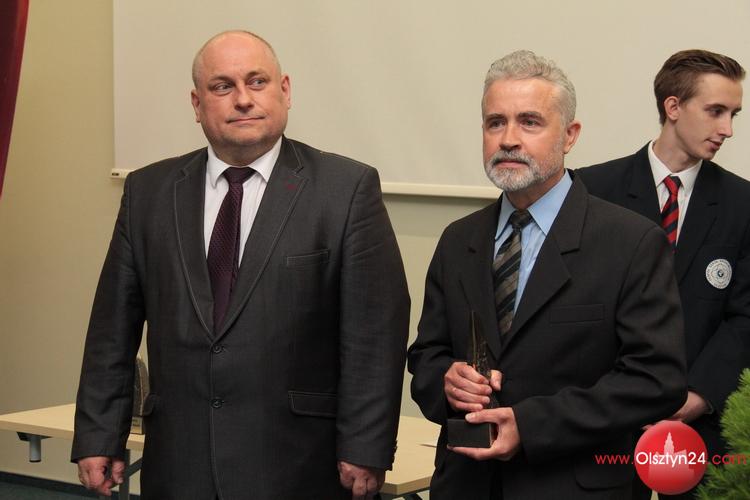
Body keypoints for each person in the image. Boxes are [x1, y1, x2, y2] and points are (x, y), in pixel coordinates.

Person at [71, 30, 410, 500]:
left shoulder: (346, 189)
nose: (243, 99)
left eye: (257, 81)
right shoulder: (148, 192)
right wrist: (98, 434)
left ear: (284, 90)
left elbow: (374, 333)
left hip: (299, 464)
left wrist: (366, 445)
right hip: (179, 463)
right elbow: (112, 328)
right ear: (197, 104)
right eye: (222, 86)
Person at [407, 50, 687, 499]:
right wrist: (446, 380)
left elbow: (656, 381)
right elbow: (426, 355)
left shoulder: (630, 242)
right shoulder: (458, 240)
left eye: (530, 122)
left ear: (570, 135)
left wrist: (531, 425)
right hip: (465, 485)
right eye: (495, 123)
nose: (508, 140)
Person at [577, 49, 749, 499]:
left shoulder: (742, 204)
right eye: (715, 111)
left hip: (698, 427)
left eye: (733, 114)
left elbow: (745, 316)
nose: (727, 129)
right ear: (673, 106)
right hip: (604, 422)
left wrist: (698, 396)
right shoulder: (591, 190)